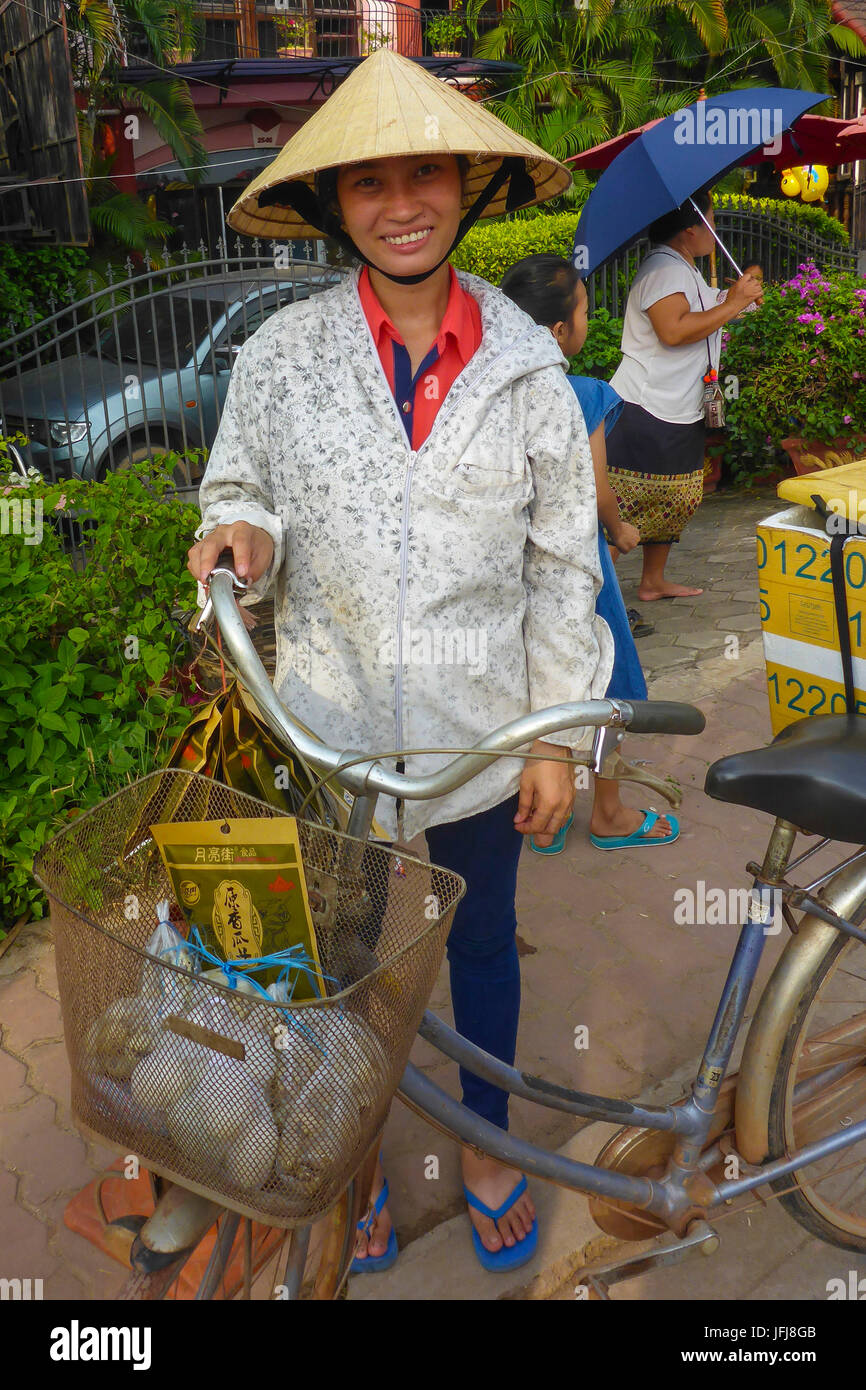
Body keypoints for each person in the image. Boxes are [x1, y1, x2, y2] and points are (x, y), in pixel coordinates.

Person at [186, 49, 613, 1273]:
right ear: (332, 206)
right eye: (368, 183)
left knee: (479, 948)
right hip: (330, 728)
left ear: (466, 188)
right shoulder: (280, 357)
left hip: (480, 731)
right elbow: (237, 491)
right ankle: (356, 1150)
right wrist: (241, 537)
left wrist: (552, 733)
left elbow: (557, 572)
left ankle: (487, 1145)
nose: (401, 202)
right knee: (345, 964)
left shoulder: (528, 364)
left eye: (424, 172)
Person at [501, 253, 677, 852]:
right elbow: (597, 492)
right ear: (556, 332)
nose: (587, 320)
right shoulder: (584, 393)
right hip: (579, 571)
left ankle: (539, 820)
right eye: (582, 310)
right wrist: (623, 531)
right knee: (607, 684)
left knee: (529, 682)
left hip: (510, 570)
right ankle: (608, 814)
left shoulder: (487, 392)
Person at [605, 189, 764, 601]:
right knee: (626, 505)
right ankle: (590, 601)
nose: (715, 229)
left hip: (676, 405)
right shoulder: (663, 270)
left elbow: (700, 311)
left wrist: (736, 300)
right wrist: (733, 306)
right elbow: (673, 331)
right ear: (691, 228)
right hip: (647, 406)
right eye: (710, 219)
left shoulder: (683, 269)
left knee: (672, 498)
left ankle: (653, 581)